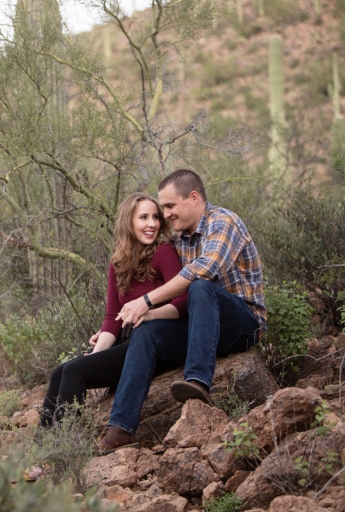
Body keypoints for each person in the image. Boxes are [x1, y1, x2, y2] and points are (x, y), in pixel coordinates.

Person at [94, 169, 266, 454]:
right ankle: (120, 428)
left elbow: (202, 272)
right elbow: (150, 276)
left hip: (242, 323)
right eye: (163, 208)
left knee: (200, 286)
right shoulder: (179, 238)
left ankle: (196, 381)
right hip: (199, 328)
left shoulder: (223, 222)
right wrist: (122, 319)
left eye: (170, 206)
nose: (166, 214)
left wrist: (146, 302)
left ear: (194, 197)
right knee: (146, 330)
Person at [38, 192, 187, 435]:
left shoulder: (163, 253)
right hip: (128, 341)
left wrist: (150, 313)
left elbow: (184, 302)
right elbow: (112, 319)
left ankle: (63, 449)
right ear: (128, 222)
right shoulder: (118, 263)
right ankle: (40, 453)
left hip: (157, 343)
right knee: (61, 371)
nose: (152, 224)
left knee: (76, 373)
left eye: (155, 217)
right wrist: (96, 356)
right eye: (143, 218)